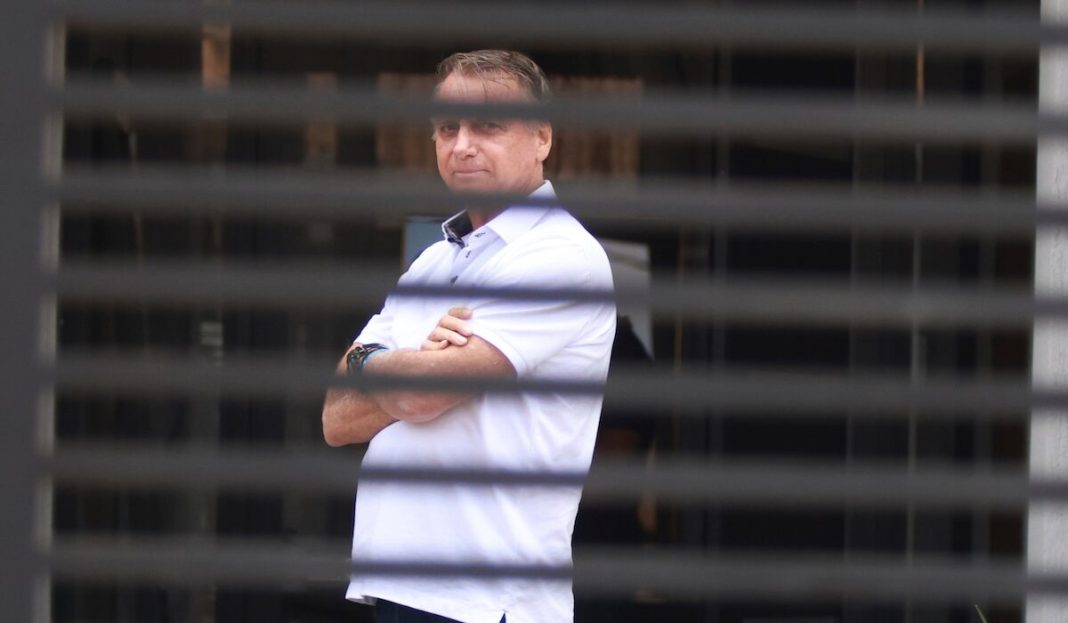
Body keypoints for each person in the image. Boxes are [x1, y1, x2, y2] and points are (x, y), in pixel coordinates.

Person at [321, 50, 616, 623]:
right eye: (447, 127)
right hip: (401, 587)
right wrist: (406, 362)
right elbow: (336, 419)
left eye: (488, 126)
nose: (462, 145)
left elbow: (420, 396)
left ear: (541, 138)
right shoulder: (433, 262)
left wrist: (372, 363)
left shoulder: (560, 256)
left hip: (488, 601)